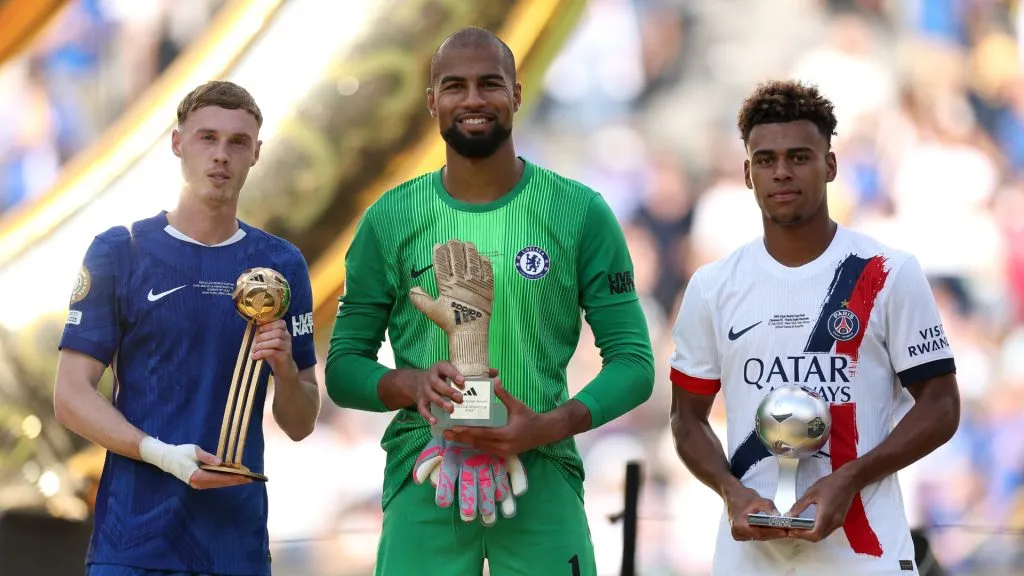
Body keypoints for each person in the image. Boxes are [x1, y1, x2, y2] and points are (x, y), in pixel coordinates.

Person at [326, 27, 655, 576]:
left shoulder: (579, 211)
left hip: (541, 470)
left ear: (517, 95)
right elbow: (342, 369)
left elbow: (635, 364)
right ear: (432, 101)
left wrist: (547, 425)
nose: (473, 99)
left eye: (489, 84)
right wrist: (410, 385)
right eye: (454, 86)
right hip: (424, 472)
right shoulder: (390, 217)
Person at [668, 79, 961, 576]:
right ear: (746, 173)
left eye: (799, 156)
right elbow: (686, 419)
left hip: (867, 556)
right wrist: (731, 490)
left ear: (830, 165)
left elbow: (941, 404)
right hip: (750, 562)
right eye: (765, 160)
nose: (781, 171)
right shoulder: (713, 286)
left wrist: (851, 478)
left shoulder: (888, 272)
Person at [53, 80, 322, 576]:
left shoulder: (280, 264)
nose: (221, 155)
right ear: (178, 143)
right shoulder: (121, 250)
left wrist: (284, 370)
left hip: (233, 545)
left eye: (238, 142)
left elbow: (301, 422)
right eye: (207, 138)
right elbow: (70, 396)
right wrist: (162, 455)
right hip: (132, 544)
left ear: (257, 154)